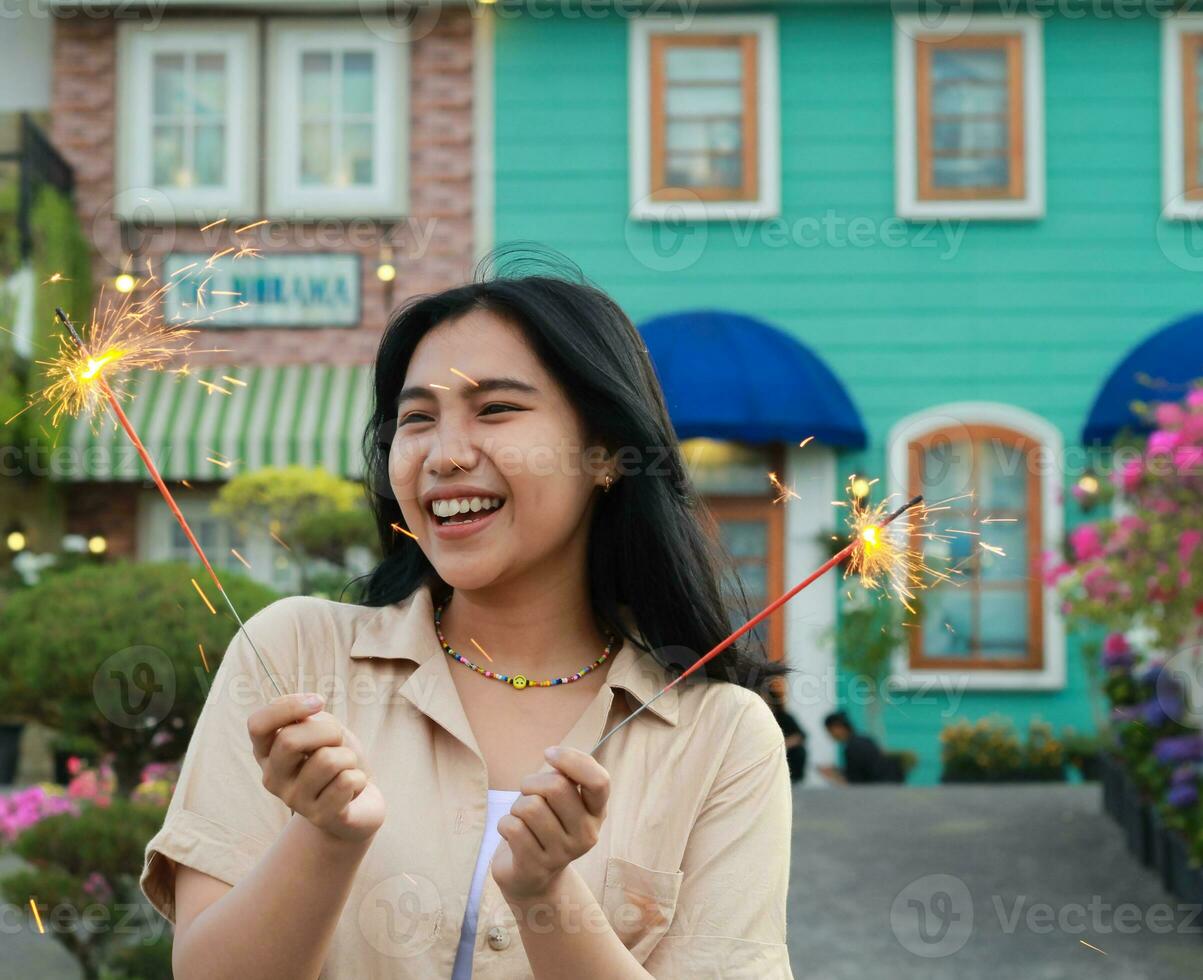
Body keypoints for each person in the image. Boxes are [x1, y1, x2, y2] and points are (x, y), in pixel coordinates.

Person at [140, 259, 798, 978]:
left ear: (606, 452)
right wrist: (325, 838)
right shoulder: (292, 658)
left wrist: (546, 896)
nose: (444, 455)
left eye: (496, 410)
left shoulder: (722, 736)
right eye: (415, 419)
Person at [818, 710, 901, 785]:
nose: (829, 735)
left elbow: (855, 781)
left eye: (829, 731)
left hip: (878, 789)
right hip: (889, 784)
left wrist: (835, 775)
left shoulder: (852, 747)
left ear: (838, 728)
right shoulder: (865, 739)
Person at [763, 691, 807, 783]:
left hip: (789, 761)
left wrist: (781, 746)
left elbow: (800, 735)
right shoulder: (759, 720)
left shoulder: (784, 717)